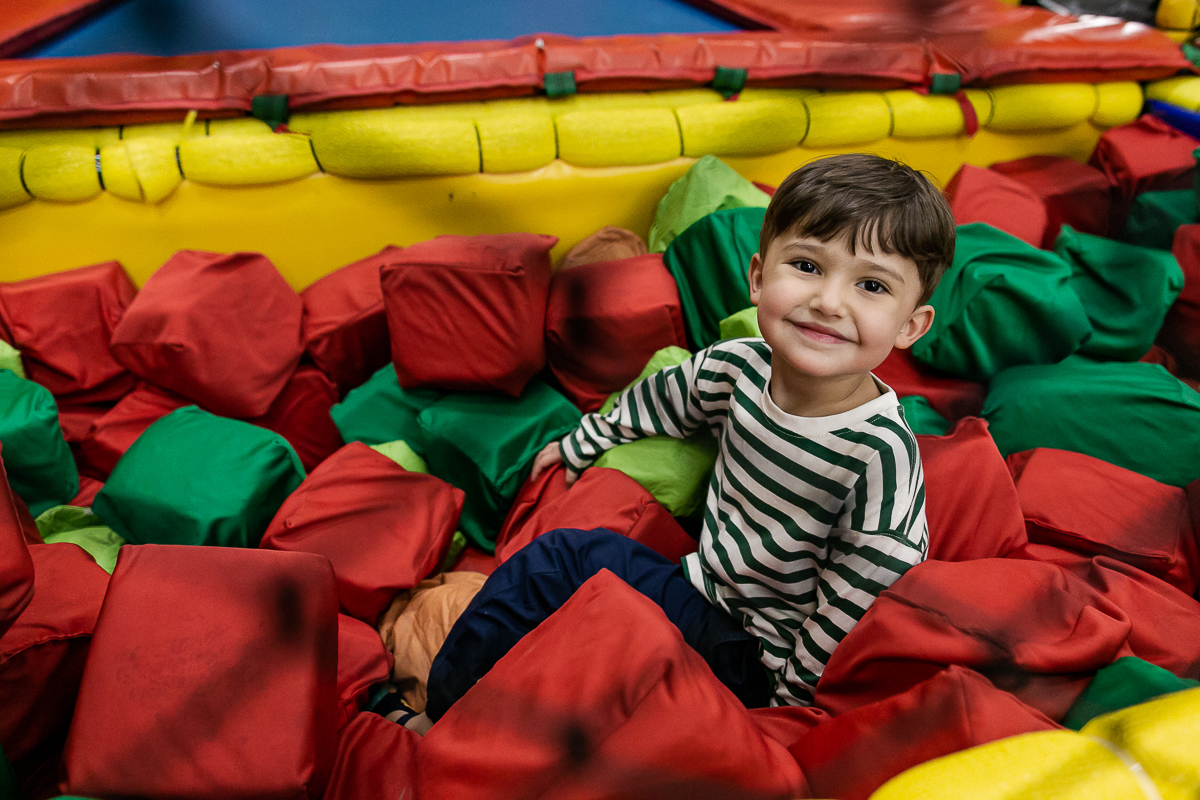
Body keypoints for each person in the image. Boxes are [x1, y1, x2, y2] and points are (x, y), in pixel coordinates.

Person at [385, 152, 956, 732]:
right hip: (702, 590)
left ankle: (436, 717)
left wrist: (785, 706)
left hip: (758, 658)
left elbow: (859, 593)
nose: (830, 301)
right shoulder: (738, 367)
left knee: (561, 562)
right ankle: (469, 708)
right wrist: (588, 438)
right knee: (572, 608)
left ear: (911, 325)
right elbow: (668, 397)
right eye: (807, 266)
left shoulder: (877, 454)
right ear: (758, 278)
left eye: (871, 285)